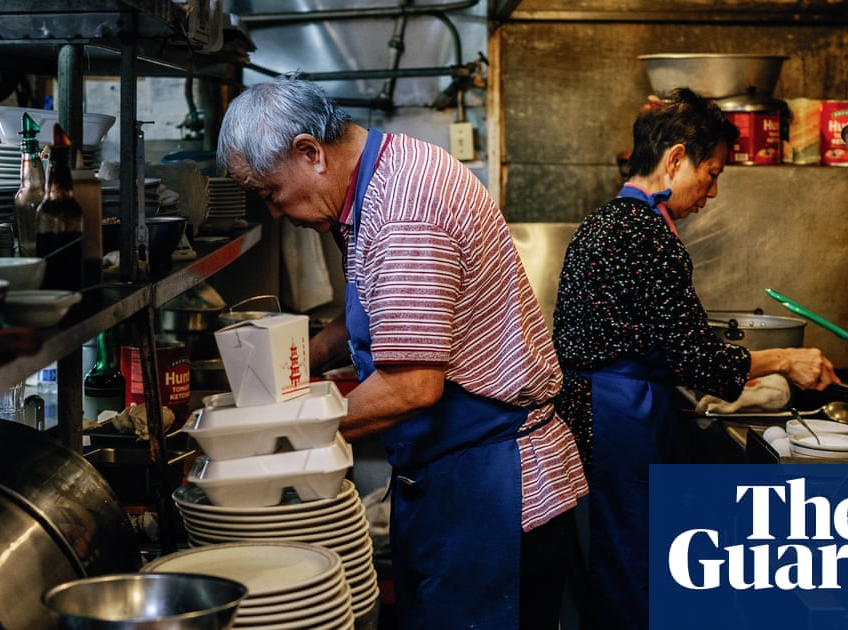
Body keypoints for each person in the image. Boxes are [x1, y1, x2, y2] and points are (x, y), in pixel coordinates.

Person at [216, 76, 588, 630]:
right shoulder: (376, 181)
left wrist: (277, 437)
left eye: (270, 193)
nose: (274, 212)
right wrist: (289, 365)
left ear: (310, 153)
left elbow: (413, 385)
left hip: (494, 491)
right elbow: (380, 311)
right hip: (452, 484)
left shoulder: (403, 208)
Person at [551, 87, 840, 629]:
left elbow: (661, 341)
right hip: (618, 422)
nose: (710, 192)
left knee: (608, 567)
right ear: (676, 158)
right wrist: (784, 359)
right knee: (630, 570)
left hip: (591, 416)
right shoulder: (645, 234)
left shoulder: (602, 223)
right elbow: (696, 358)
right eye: (711, 173)